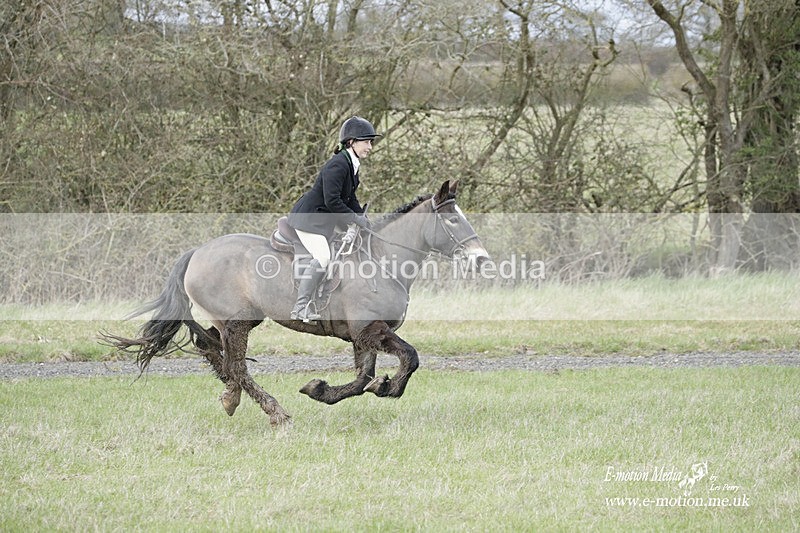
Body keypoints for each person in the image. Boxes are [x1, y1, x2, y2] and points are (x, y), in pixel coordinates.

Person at [287, 116, 381, 321]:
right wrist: (354, 220)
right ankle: (300, 307)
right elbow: (332, 201)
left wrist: (361, 217)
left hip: (324, 220)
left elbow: (349, 197)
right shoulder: (338, 165)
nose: (370, 147)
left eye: (370, 142)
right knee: (323, 257)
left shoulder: (351, 164)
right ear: (351, 142)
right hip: (309, 219)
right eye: (366, 142)